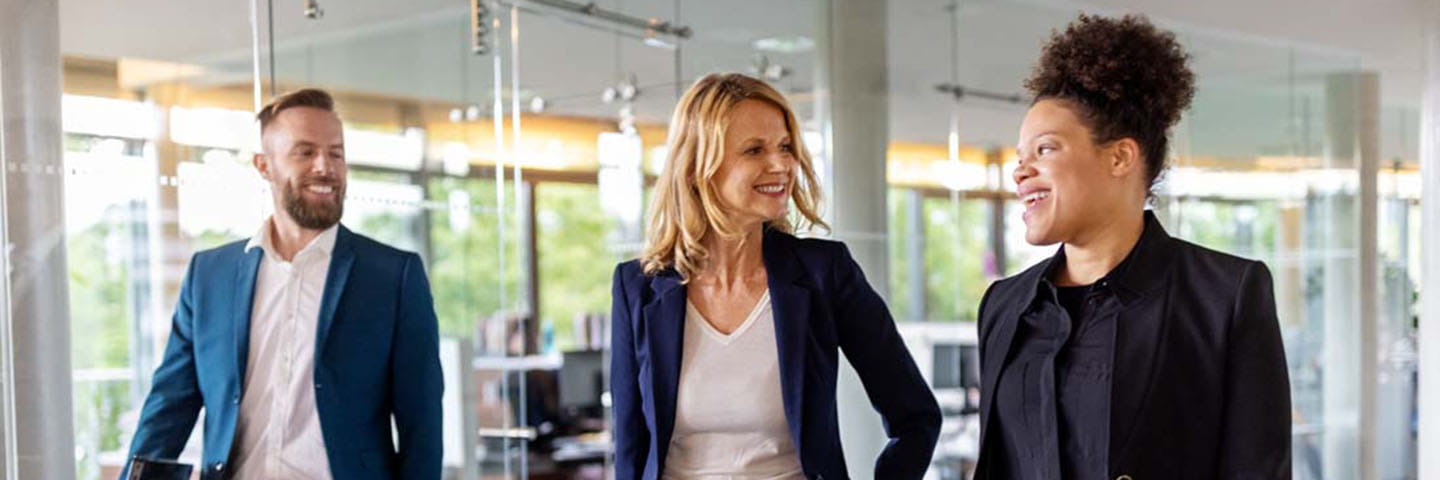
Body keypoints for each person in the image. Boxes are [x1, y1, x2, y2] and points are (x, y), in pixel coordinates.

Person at [975, 14, 1292, 479]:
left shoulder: (1226, 295)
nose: (1020, 172)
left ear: (1120, 156)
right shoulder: (1004, 305)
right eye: (1020, 157)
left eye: (1044, 150)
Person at [609, 73, 941, 480]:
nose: (781, 164)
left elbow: (916, 415)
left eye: (785, 147)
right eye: (754, 150)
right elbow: (630, 446)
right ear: (699, 167)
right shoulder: (637, 288)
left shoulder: (824, 273)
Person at [120, 88, 443, 480]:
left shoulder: (393, 277)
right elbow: (169, 406)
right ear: (264, 166)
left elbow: (421, 425)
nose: (325, 166)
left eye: (336, 153)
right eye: (304, 152)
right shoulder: (209, 276)